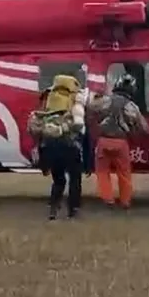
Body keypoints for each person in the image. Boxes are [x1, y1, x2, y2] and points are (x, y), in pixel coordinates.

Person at [87, 74, 149, 210]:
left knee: (102, 172)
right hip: (121, 143)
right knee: (124, 173)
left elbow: (90, 107)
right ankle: (125, 201)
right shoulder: (132, 107)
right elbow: (144, 128)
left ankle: (108, 199)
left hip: (103, 141)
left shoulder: (105, 101)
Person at [28, 75, 88, 220]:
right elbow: (79, 124)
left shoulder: (49, 98)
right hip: (70, 145)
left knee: (58, 180)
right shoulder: (75, 99)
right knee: (75, 178)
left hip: (50, 145)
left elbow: (36, 123)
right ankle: (73, 210)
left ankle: (53, 209)